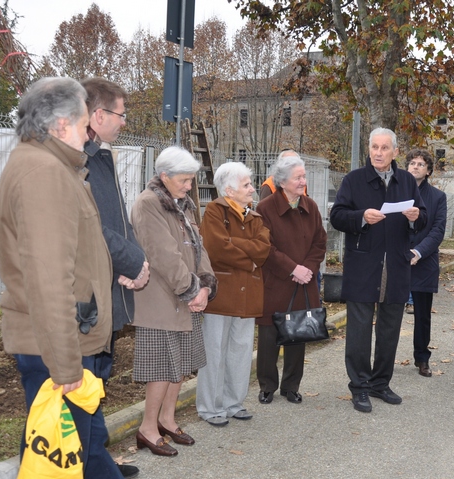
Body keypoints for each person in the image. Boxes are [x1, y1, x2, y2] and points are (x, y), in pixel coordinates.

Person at [0, 77, 136, 479]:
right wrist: (66, 362)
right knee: (55, 451)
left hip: (66, 338)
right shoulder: (44, 175)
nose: (87, 131)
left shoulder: (52, 166)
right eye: (81, 122)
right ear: (60, 125)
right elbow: (49, 278)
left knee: (79, 436)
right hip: (57, 343)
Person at [329, 127, 427, 413]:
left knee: (389, 330)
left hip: (396, 266)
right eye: (375, 147)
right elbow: (337, 216)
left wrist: (415, 217)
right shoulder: (354, 179)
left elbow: (424, 219)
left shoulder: (407, 180)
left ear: (395, 152)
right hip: (363, 266)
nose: (379, 153)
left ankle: (380, 383)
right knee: (359, 332)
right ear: (369, 149)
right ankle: (359, 387)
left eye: (385, 148)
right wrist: (361, 216)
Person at [82, 76, 149, 479]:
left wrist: (133, 261)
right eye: (121, 114)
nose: (124, 123)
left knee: (98, 382)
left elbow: (119, 222)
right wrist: (130, 262)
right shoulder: (78, 160)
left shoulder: (102, 156)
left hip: (112, 285)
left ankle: (98, 462)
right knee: (86, 384)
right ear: (99, 114)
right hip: (92, 293)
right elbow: (91, 228)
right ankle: (93, 471)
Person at [131, 147, 216, 456]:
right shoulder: (148, 204)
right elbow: (162, 254)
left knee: (181, 365)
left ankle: (167, 419)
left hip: (188, 296)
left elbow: (199, 248)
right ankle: (147, 427)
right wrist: (192, 290)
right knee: (162, 367)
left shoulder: (184, 205)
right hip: (161, 299)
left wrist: (205, 285)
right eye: (184, 180)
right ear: (164, 176)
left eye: (192, 180)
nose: (189, 186)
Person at [196, 162, 271, 426]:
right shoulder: (215, 212)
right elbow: (216, 248)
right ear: (229, 189)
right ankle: (210, 406)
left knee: (240, 351)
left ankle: (233, 402)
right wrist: (249, 259)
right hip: (222, 295)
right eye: (247, 184)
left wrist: (244, 250)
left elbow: (263, 248)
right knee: (214, 351)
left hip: (248, 296)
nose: (252, 188)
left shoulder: (255, 217)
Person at [255, 156, 327, 404]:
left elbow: (320, 242)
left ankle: (291, 385)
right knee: (269, 337)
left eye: (303, 177)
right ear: (283, 181)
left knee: (299, 333)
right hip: (276, 281)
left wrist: (307, 268)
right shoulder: (265, 208)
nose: (303, 182)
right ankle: (267, 386)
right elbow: (266, 247)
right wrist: (292, 268)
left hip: (304, 283)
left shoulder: (311, 206)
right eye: (298, 177)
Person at [405, 149, 447, 378]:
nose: (415, 167)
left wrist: (418, 252)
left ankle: (422, 358)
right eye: (412, 163)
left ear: (428, 170)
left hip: (424, 261)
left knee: (422, 315)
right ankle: (383, 357)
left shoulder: (438, 197)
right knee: (388, 313)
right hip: (396, 261)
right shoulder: (394, 192)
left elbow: (438, 230)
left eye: (421, 164)